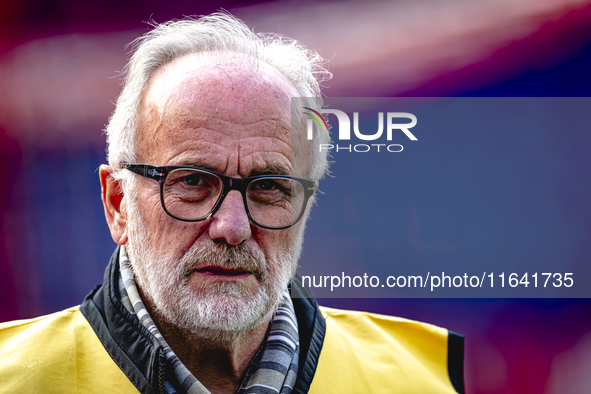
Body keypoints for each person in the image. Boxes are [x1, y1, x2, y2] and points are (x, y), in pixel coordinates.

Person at [0, 13, 463, 394]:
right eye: (194, 181)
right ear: (117, 203)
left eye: (268, 188)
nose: (232, 227)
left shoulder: (422, 380)